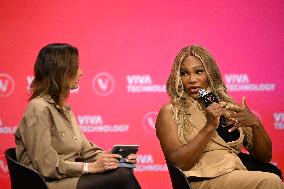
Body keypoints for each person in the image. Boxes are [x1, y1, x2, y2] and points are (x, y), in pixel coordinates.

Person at [14, 43, 141, 189]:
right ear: (61, 71)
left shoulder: (64, 109)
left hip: (69, 178)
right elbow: (46, 166)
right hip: (47, 183)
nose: (81, 73)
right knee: (122, 177)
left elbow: (86, 150)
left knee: (122, 170)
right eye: (76, 67)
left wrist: (116, 159)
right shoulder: (38, 108)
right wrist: (89, 168)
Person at [155, 45, 284, 189]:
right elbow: (179, 163)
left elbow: (264, 157)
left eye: (199, 72)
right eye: (184, 73)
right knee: (269, 181)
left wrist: (256, 125)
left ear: (210, 74)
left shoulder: (226, 106)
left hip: (236, 173)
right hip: (203, 179)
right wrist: (209, 126)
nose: (192, 79)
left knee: (272, 175)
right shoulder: (171, 111)